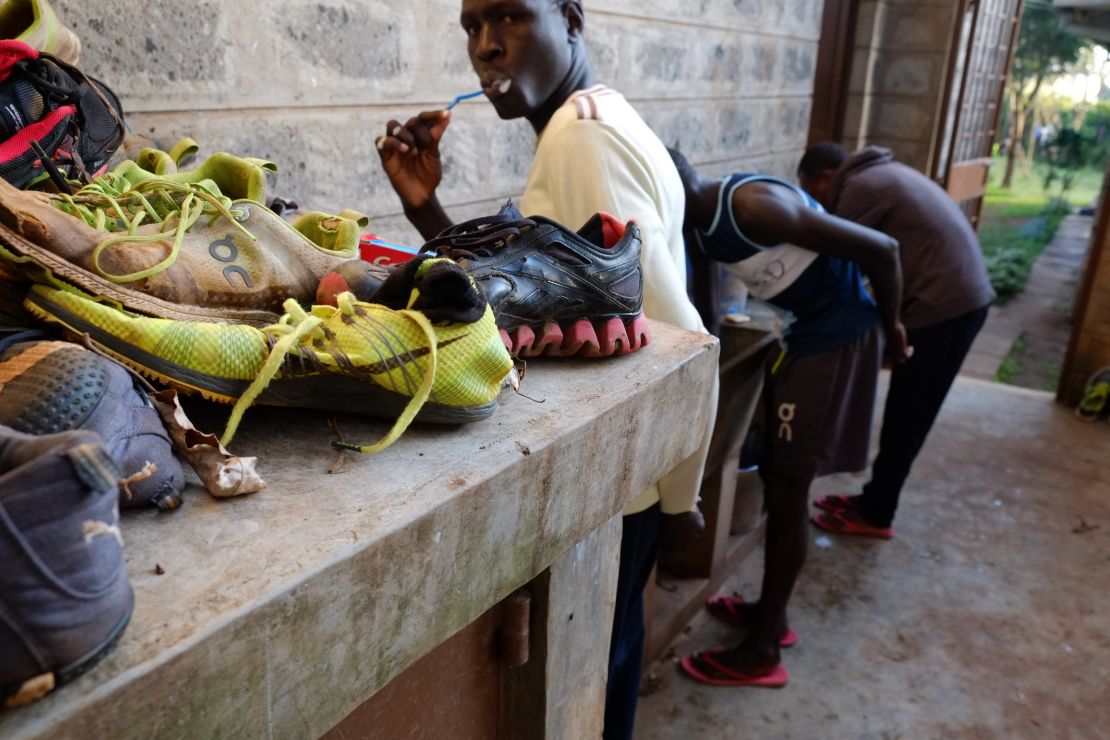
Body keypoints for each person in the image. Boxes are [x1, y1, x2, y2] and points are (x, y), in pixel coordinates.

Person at [374, 2, 717, 737]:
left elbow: (674, 333)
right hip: (633, 481)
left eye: (510, 19)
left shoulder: (581, 140)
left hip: (623, 490)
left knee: (589, 689)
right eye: (472, 28)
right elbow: (549, 295)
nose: (487, 48)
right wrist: (427, 208)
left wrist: (683, 501)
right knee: (606, 669)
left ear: (569, 17)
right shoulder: (594, 116)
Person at [668, 149, 910, 687]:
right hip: (807, 335)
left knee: (788, 490)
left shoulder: (753, 207)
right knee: (780, 477)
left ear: (670, 191)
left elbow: (884, 249)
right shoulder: (699, 230)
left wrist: (892, 330)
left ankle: (762, 653)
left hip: (839, 338)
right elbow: (701, 311)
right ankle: (770, 615)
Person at [798, 143, 995, 538]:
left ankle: (877, 515)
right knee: (907, 412)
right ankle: (874, 498)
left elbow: (826, 255)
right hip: (956, 298)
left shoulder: (860, 188)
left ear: (825, 177)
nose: (818, 205)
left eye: (812, 194)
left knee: (908, 415)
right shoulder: (884, 174)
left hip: (944, 307)